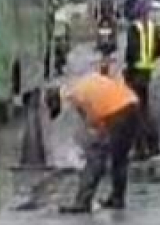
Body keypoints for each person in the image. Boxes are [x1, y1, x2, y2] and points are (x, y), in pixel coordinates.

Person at [53, 71, 141, 213]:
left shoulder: (74, 95)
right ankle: (117, 198)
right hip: (131, 104)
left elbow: (92, 119)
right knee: (119, 158)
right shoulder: (80, 84)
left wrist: (97, 136)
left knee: (97, 156)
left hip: (118, 111)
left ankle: (83, 202)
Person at [123, 0, 160, 160]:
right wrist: (150, 58)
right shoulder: (152, 27)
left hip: (135, 73)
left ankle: (141, 148)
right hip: (147, 73)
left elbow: (130, 51)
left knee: (136, 112)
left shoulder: (134, 28)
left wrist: (130, 64)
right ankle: (154, 145)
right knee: (145, 110)